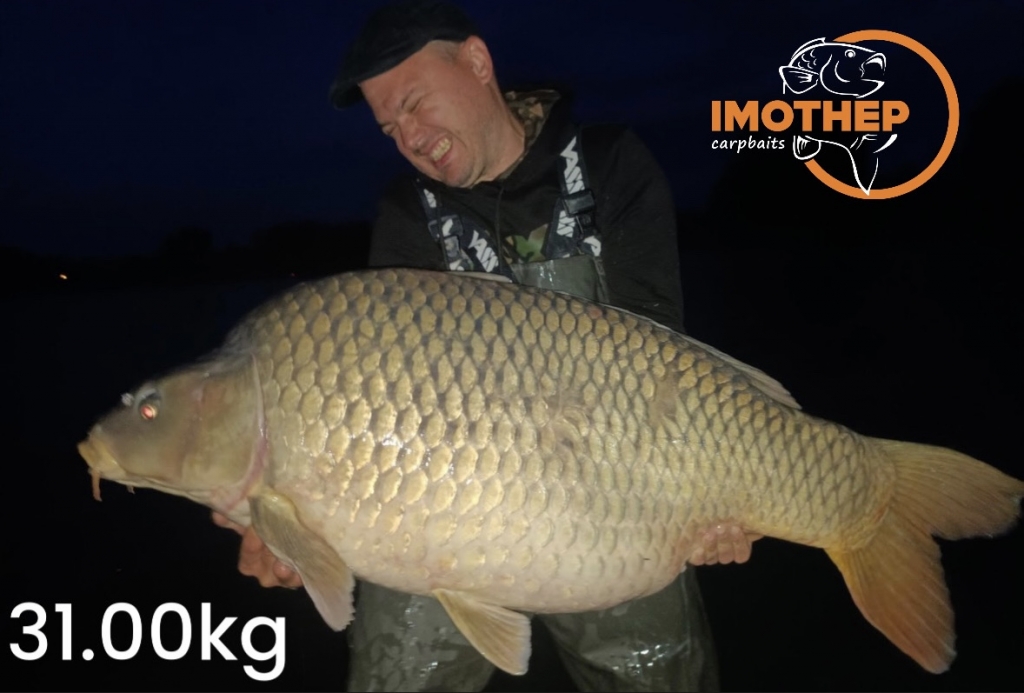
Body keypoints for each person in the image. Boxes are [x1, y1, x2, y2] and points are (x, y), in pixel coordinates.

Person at [216, 1, 756, 690]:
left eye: (414, 104)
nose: (410, 138)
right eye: (390, 128)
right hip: (454, 503)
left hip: (612, 497)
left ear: (476, 62)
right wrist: (293, 525)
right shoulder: (409, 215)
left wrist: (716, 495)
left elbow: (661, 371)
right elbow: (380, 412)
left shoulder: (608, 164)